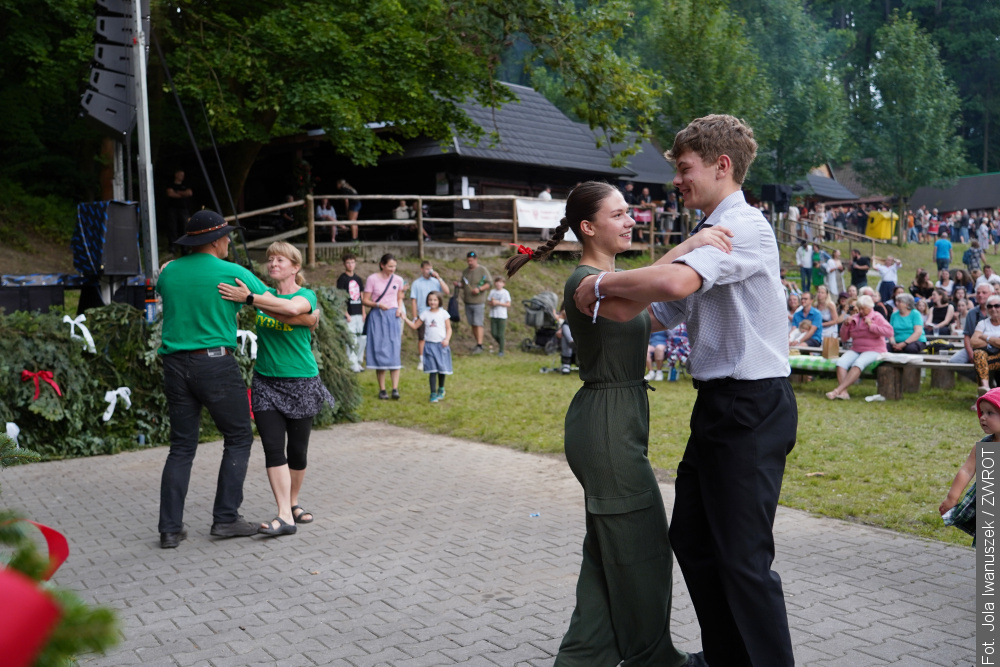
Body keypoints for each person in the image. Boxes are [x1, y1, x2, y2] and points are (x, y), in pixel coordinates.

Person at [571, 115, 797, 667]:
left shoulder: (741, 226)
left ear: (722, 166)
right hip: (718, 405)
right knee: (694, 542)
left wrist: (598, 283)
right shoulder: (706, 235)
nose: (676, 179)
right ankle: (725, 657)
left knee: (743, 558)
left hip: (752, 405)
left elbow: (667, 283)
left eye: (685, 167)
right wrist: (601, 293)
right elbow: (641, 313)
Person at [505, 180, 727, 667]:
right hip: (605, 425)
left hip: (618, 420)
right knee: (643, 549)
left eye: (630, 213)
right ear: (588, 228)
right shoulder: (585, 283)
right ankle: (656, 659)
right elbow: (657, 281)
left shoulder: (614, 280)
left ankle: (584, 659)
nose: (631, 221)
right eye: (619, 214)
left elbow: (655, 301)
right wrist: (690, 244)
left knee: (608, 556)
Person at [156, 210, 314, 549]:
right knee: (239, 436)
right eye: (226, 235)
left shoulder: (168, 273)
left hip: (173, 366)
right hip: (214, 364)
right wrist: (310, 318)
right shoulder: (232, 273)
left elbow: (162, 282)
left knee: (181, 447)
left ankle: (169, 529)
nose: (228, 240)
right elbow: (278, 304)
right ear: (215, 241)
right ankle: (225, 519)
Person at [217, 242, 334, 536]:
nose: (273, 264)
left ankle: (293, 503)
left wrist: (251, 299)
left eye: (280, 259)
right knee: (272, 448)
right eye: (270, 259)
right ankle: (284, 514)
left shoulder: (305, 295)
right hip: (266, 382)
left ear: (295, 267)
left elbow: (293, 309)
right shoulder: (265, 295)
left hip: (301, 381)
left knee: (298, 451)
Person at [939, 388, 1000, 544]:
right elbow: (967, 470)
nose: (983, 417)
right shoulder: (985, 445)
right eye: (982, 412)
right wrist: (952, 498)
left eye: (990, 413)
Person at [825, 295, 893, 400]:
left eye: (863, 309)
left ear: (870, 307)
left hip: (874, 349)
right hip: (856, 348)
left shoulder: (877, 316)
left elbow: (889, 332)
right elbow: (844, 338)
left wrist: (872, 326)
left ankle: (837, 391)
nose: (860, 311)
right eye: (859, 308)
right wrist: (845, 325)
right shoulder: (854, 318)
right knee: (841, 363)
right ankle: (844, 393)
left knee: (858, 363)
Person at [363, 253, 405, 399]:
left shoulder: (398, 279)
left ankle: (395, 388)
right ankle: (382, 389)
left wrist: (399, 309)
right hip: (378, 315)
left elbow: (400, 297)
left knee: (394, 349)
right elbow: (365, 300)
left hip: (393, 316)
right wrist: (377, 304)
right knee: (379, 349)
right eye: (390, 266)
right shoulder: (372, 279)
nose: (392, 269)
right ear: (382, 265)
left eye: (394, 266)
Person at [404, 291, 452, 402]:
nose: (432, 302)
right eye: (430, 300)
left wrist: (447, 339)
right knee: (432, 370)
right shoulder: (425, 314)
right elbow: (415, 326)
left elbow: (449, 328)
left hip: (441, 345)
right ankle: (433, 393)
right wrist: (405, 318)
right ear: (427, 301)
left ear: (439, 301)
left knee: (441, 369)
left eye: (435, 300)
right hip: (429, 346)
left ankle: (441, 388)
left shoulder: (444, 313)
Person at [409, 261, 451, 371]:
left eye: (430, 269)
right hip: (423, 313)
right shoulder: (416, 283)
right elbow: (414, 300)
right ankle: (422, 360)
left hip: (437, 314)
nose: (429, 271)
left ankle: (439, 357)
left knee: (438, 336)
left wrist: (439, 278)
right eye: (427, 269)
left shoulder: (436, 281)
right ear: (422, 269)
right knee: (422, 337)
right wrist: (415, 316)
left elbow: (447, 291)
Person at [455, 251, 491, 354]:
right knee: (472, 323)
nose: (470, 263)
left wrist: (479, 289)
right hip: (468, 301)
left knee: (478, 323)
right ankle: (477, 343)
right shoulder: (466, 271)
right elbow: (464, 284)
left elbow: (489, 283)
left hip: (478, 302)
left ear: (476, 259)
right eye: (468, 261)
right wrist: (458, 285)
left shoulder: (482, 270)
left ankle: (480, 345)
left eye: (471, 261)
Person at [336, 253, 366, 373]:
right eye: (348, 262)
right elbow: (339, 298)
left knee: (362, 338)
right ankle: (352, 364)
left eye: (352, 262)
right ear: (344, 264)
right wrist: (346, 313)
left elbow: (361, 296)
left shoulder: (358, 279)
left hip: (359, 313)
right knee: (351, 339)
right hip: (349, 314)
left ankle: (358, 361)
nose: (350, 265)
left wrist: (364, 312)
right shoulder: (342, 279)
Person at [971, 295, 1000, 395]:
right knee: (978, 354)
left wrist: (986, 337)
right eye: (990, 306)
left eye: (997, 306)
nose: (993, 309)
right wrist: (996, 340)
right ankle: (985, 388)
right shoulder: (982, 323)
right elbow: (974, 342)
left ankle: (985, 395)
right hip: (986, 359)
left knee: (981, 364)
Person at [164, 169, 193, 245]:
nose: (182, 177)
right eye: (180, 175)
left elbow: (189, 193)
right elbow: (170, 194)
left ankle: (184, 246)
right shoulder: (171, 184)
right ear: (176, 175)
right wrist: (183, 194)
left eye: (183, 175)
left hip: (183, 209)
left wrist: (177, 192)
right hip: (172, 208)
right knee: (172, 227)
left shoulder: (185, 184)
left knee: (184, 227)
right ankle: (172, 246)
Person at [487, 276, 511, 356]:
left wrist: (498, 303)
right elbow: (489, 302)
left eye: (500, 282)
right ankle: (502, 344)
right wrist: (492, 303)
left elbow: (508, 304)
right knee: (494, 333)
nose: (498, 284)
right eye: (497, 282)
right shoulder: (492, 292)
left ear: (503, 284)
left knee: (501, 334)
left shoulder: (505, 293)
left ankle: (501, 350)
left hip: (502, 316)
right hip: (493, 315)